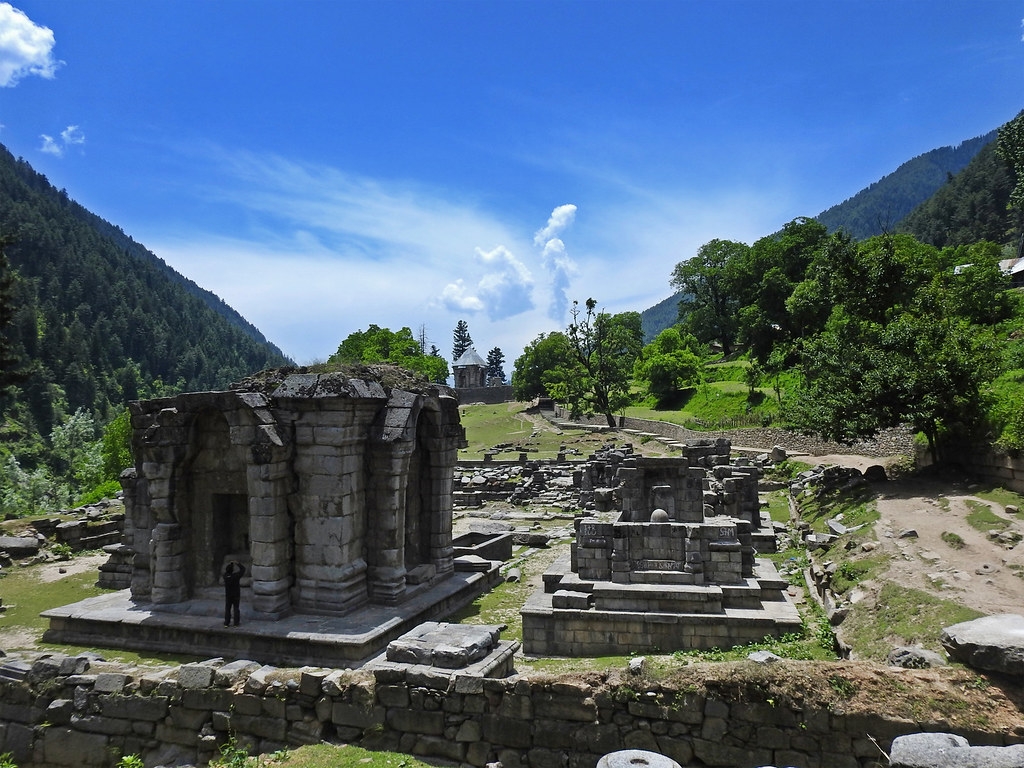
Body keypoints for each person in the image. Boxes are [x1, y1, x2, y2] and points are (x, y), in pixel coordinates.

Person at [223, 560, 245, 627]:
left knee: (227, 609)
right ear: (232, 570)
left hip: (228, 595)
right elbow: (243, 569)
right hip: (236, 595)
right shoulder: (236, 576)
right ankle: (236, 623)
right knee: (236, 609)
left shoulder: (225, 576)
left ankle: (226, 623)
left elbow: (228, 571)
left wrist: (231, 565)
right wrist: (238, 563)